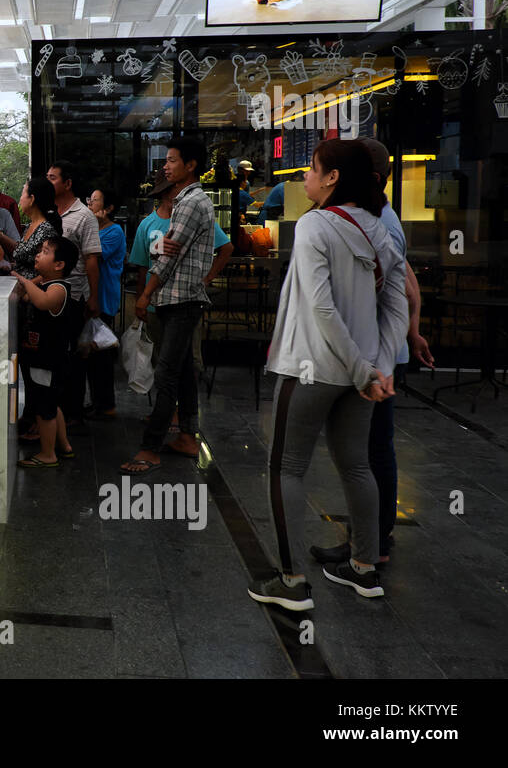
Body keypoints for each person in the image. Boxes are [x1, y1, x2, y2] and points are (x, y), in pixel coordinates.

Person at [247, 139, 408, 611]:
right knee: (357, 466)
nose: (304, 178)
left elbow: (320, 305)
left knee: (285, 468)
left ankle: (292, 580)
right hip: (361, 375)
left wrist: (364, 368)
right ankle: (363, 568)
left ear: (333, 177)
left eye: (311, 170)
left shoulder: (315, 224)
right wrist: (376, 366)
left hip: (310, 367)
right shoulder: (382, 228)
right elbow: (395, 307)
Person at [310, 138, 435, 568]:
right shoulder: (374, 215)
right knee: (369, 448)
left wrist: (403, 338)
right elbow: (407, 281)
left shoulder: (380, 219)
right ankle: (370, 539)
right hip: (376, 352)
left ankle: (373, 543)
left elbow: (401, 286)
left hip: (375, 355)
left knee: (371, 450)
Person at [122, 138, 214, 475]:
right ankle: (188, 436)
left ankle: (151, 447)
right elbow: (166, 251)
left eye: (172, 160)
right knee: (184, 370)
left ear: (190, 165)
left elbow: (166, 260)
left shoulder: (189, 203)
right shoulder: (188, 201)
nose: (166, 166)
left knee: (167, 373)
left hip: (180, 298)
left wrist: (145, 294)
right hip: (183, 298)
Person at [15, 236, 80, 468]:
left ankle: (47, 454)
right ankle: (64, 446)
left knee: (44, 409)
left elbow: (42, 302)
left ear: (59, 265)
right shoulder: (45, 283)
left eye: (44, 251)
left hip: (47, 360)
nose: (37, 255)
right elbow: (27, 296)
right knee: (52, 404)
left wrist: (24, 279)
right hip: (39, 358)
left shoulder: (58, 289)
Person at [46, 160, 101, 428]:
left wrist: (93, 297)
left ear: (67, 183)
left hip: (75, 296)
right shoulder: (47, 212)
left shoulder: (84, 216)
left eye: (53, 178)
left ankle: (74, 414)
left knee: (75, 357)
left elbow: (91, 259)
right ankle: (53, 413)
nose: (48, 182)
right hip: (49, 297)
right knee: (54, 356)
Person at [83, 186, 125, 419]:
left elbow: (93, 253)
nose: (90, 203)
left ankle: (107, 405)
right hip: (94, 295)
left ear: (108, 208)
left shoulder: (114, 231)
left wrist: (94, 226)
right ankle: (98, 401)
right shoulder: (96, 229)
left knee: (102, 355)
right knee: (92, 354)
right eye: (90, 199)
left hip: (103, 297)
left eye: (95, 200)